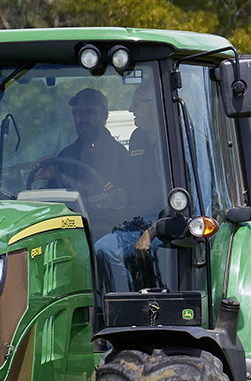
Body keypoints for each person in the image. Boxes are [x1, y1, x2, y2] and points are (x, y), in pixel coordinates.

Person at [27, 87, 160, 290]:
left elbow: (113, 198)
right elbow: (54, 196)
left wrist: (64, 177)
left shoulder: (118, 155)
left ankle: (121, 299)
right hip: (69, 228)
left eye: (90, 112)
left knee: (103, 247)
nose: (83, 119)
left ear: (104, 116)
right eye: (78, 113)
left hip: (104, 227)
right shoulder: (66, 154)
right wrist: (44, 177)